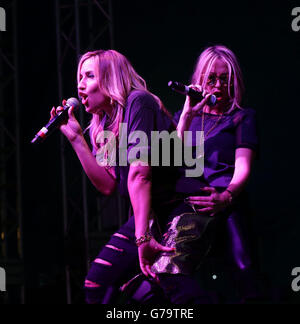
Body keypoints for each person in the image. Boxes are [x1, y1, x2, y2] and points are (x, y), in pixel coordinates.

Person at [50, 49, 180, 304]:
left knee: (166, 285)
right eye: (79, 77)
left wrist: (142, 237)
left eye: (89, 76)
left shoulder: (139, 102)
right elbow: (109, 185)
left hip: (177, 208)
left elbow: (140, 174)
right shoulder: (106, 125)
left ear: (110, 78)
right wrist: (76, 139)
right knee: (100, 286)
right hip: (150, 214)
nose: (80, 85)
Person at [149, 45, 259, 303]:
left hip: (226, 202)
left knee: (243, 271)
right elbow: (170, 160)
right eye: (211, 79)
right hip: (189, 206)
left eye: (225, 79)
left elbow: (243, 166)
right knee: (172, 273)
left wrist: (227, 196)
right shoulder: (185, 118)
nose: (218, 85)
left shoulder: (242, 118)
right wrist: (187, 115)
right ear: (198, 81)